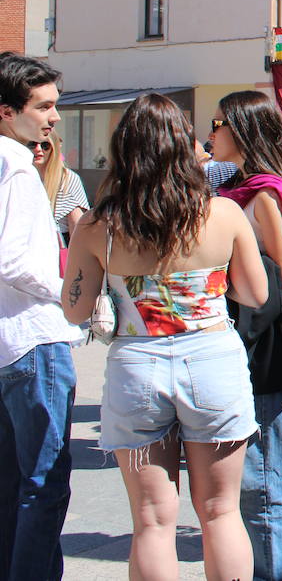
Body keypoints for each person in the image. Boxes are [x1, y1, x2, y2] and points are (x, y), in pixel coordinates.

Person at [61, 93, 270, 581]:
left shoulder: (98, 225)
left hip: (137, 366)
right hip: (212, 361)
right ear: (185, 147)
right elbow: (256, 294)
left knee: (152, 521)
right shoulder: (222, 214)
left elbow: (75, 309)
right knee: (221, 511)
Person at [212, 90, 282, 581]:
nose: (211, 132)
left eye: (219, 123)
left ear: (242, 130)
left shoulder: (262, 195)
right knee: (259, 473)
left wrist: (219, 280)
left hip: (265, 349)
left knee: (264, 477)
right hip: (258, 345)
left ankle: (277, 573)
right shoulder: (248, 188)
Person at [0, 52, 83, 580]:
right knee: (44, 485)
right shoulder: (15, 165)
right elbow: (12, 259)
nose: (53, 117)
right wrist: (69, 295)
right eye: (44, 106)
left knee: (15, 483)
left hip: (14, 342)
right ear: (7, 111)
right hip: (33, 340)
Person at [32, 133, 88, 244]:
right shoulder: (20, 176)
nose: (38, 149)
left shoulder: (67, 178)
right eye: (32, 144)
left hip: (56, 248)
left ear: (54, 148)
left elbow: (76, 228)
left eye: (45, 145)